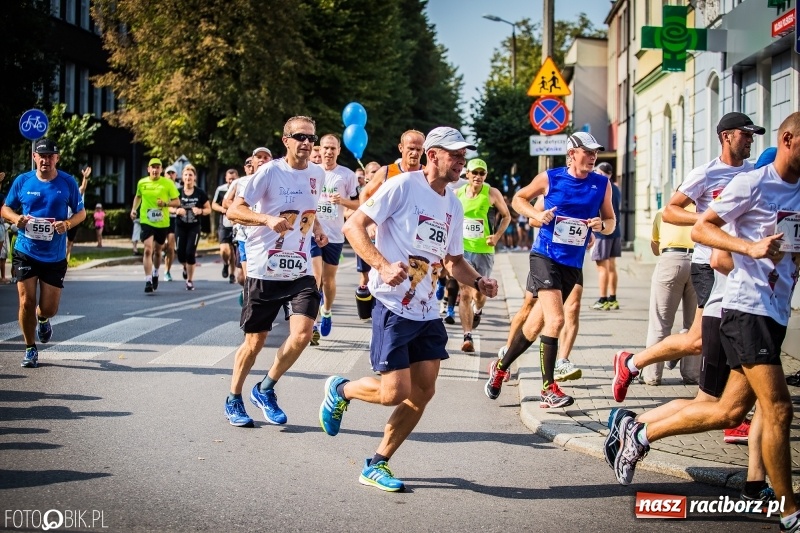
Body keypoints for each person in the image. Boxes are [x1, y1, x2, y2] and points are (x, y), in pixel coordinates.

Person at [607, 113, 800, 533]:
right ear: (789, 140)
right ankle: (788, 510)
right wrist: (750, 247)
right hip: (744, 308)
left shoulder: (795, 190)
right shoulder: (750, 182)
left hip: (775, 312)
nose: (749, 141)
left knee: (729, 411)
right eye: (744, 135)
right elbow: (700, 228)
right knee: (779, 408)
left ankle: (637, 433)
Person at [319, 126, 498, 492]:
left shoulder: (453, 203)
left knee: (423, 391)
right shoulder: (403, 186)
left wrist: (478, 281)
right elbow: (355, 226)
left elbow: (452, 260)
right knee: (393, 393)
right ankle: (341, 391)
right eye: (456, 154)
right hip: (392, 304)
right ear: (433, 155)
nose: (462, 161)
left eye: (465, 155)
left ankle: (377, 463)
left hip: (428, 310)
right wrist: (382, 266)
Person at [611, 112, 765, 403]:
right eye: (745, 134)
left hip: (740, 265)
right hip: (709, 265)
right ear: (726, 136)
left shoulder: (755, 171)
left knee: (705, 338)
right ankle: (717, 399)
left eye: (752, 135)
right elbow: (670, 210)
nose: (750, 141)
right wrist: (706, 220)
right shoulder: (706, 173)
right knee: (703, 339)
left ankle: (632, 363)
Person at [485, 132, 616, 407]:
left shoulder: (602, 184)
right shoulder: (551, 177)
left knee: (534, 326)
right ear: (572, 154)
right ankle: (548, 388)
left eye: (595, 152)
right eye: (587, 151)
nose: (592, 156)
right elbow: (519, 199)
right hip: (545, 255)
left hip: (572, 261)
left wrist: (599, 227)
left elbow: (611, 220)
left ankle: (500, 367)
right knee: (556, 320)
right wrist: (536, 215)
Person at [223, 116, 328, 428]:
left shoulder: (317, 173)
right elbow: (234, 210)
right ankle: (234, 397)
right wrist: (267, 220)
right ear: (286, 140)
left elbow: (310, 210)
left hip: (299, 268)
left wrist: (318, 229)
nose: (307, 142)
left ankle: (265, 388)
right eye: (300, 136)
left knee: (303, 333)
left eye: (311, 137)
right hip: (263, 268)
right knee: (256, 342)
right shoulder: (270, 171)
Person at [0, 138, 86, 367]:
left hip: (54, 255)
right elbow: (5, 207)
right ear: (34, 158)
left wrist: (67, 224)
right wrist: (15, 218)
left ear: (57, 158)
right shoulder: (23, 181)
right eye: (42, 156)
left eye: (50, 156)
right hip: (25, 250)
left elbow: (81, 213)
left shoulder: (67, 182)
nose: (46, 160)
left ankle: (43, 318)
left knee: (49, 307)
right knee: (26, 301)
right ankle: (30, 348)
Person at [356, 132, 425, 311]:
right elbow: (365, 193)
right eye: (410, 149)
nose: (414, 153)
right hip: (387, 233)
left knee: (414, 278)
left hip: (414, 235)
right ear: (401, 148)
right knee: (382, 270)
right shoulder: (387, 171)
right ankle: (375, 305)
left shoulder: (425, 174)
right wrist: (369, 222)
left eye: (418, 149)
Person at [454, 158, 510, 352]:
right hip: (463, 250)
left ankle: (478, 310)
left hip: (484, 251)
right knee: (465, 292)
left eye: (482, 173)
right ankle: (467, 336)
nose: (478, 177)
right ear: (467, 174)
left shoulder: (491, 193)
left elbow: (507, 216)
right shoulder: (458, 193)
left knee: (480, 294)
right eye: (474, 173)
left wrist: (496, 236)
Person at [639, 205, 698, 385]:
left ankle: (652, 375)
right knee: (694, 324)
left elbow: (655, 248)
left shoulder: (663, 211)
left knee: (660, 323)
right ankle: (693, 373)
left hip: (671, 261)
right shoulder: (703, 209)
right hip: (700, 263)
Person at [311, 134, 360, 342]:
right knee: (314, 278)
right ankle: (312, 323)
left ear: (339, 150)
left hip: (334, 235)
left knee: (328, 280)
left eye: (333, 148)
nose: (329, 152)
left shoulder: (347, 175)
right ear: (319, 150)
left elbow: (359, 204)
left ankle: (327, 310)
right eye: (325, 148)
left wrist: (343, 201)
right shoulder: (311, 172)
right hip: (313, 232)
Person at [130, 158, 180, 293]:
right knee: (147, 249)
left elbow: (177, 201)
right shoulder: (142, 182)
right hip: (146, 220)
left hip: (162, 222)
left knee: (158, 251)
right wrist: (134, 209)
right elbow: (138, 196)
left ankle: (156, 272)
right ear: (148, 169)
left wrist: (165, 204)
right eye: (153, 167)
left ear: (161, 169)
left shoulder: (168, 183)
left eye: (158, 167)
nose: (155, 170)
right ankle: (148, 280)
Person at [173, 165, 210, 290]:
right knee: (180, 254)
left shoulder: (200, 193)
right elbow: (168, 207)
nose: (188, 177)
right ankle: (185, 266)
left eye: (190, 175)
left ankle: (189, 280)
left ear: (194, 177)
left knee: (190, 253)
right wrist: (176, 210)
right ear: (182, 177)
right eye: (186, 175)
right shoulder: (177, 192)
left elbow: (208, 209)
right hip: (180, 226)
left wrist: (200, 210)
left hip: (194, 226)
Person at [591, 162, 622, 310]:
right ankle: (613, 298)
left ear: (601, 173)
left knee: (602, 267)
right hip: (615, 231)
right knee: (612, 266)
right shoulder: (615, 188)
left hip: (602, 231)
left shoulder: (601, 186)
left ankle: (603, 299)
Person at [211, 168, 238, 283]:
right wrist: (222, 209)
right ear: (226, 179)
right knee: (225, 250)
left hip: (237, 224)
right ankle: (225, 263)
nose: (231, 181)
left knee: (233, 251)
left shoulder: (241, 188)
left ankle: (232, 274)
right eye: (229, 179)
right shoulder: (221, 190)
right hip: (225, 224)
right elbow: (213, 204)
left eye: (233, 179)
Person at [66, 166, 91, 262]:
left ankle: (66, 260)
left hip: (74, 220)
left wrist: (85, 177)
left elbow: (83, 187)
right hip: (64, 219)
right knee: (63, 241)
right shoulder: (64, 192)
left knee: (70, 242)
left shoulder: (78, 192)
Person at [163, 165, 180, 281]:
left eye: (172, 173)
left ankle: (167, 271)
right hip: (161, 218)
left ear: (176, 175)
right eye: (168, 173)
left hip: (174, 219)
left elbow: (181, 202)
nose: (170, 175)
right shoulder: (160, 187)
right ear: (165, 175)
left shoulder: (180, 188)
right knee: (159, 246)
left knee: (170, 246)